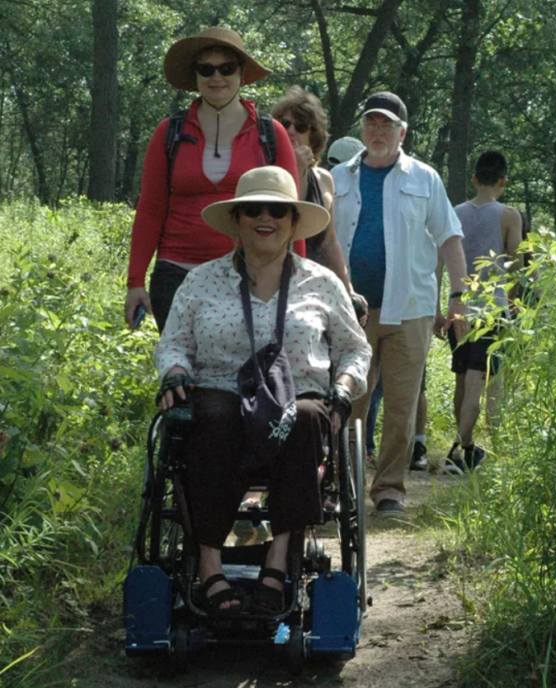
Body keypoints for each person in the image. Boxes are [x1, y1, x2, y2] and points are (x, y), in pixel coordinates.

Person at [155, 166, 371, 616]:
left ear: (294, 222)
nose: (264, 217)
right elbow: (173, 342)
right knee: (210, 417)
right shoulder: (200, 281)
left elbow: (354, 349)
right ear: (237, 220)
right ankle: (209, 565)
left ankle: (278, 561)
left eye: (277, 210)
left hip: (299, 397)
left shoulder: (323, 283)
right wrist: (174, 372)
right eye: (252, 209)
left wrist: (345, 389)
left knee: (309, 419)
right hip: (220, 391)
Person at [332, 91, 468, 517]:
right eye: (371, 123)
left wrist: (459, 296)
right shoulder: (337, 178)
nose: (378, 131)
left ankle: (389, 490)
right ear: (361, 129)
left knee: (401, 406)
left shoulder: (424, 178)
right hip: (349, 312)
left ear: (402, 132)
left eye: (387, 124)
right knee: (347, 399)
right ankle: (340, 486)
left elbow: (449, 236)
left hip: (411, 310)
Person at [124, 27, 303, 332]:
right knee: (180, 370)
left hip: (251, 272)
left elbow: (291, 213)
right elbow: (151, 209)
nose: (216, 77)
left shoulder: (271, 134)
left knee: (243, 374)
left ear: (242, 74)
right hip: (176, 274)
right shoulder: (169, 132)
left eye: (226, 68)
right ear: (195, 76)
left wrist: (298, 281)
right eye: (206, 69)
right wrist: (135, 282)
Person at [442, 151, 522, 474]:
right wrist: (513, 299)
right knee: (477, 380)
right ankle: (457, 452)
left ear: (474, 179)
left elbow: (441, 258)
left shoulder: (454, 212)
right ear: (503, 181)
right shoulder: (509, 215)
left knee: (462, 380)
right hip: (491, 308)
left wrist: (441, 305)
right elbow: (516, 262)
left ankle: (468, 447)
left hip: (458, 308)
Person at [270, 86, 367, 321]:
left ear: (313, 135)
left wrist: (348, 289)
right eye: (284, 124)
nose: (291, 131)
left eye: (300, 126)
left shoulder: (324, 179)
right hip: (272, 283)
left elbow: (329, 241)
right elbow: (291, 222)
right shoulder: (265, 174)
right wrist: (293, 168)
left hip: (314, 284)